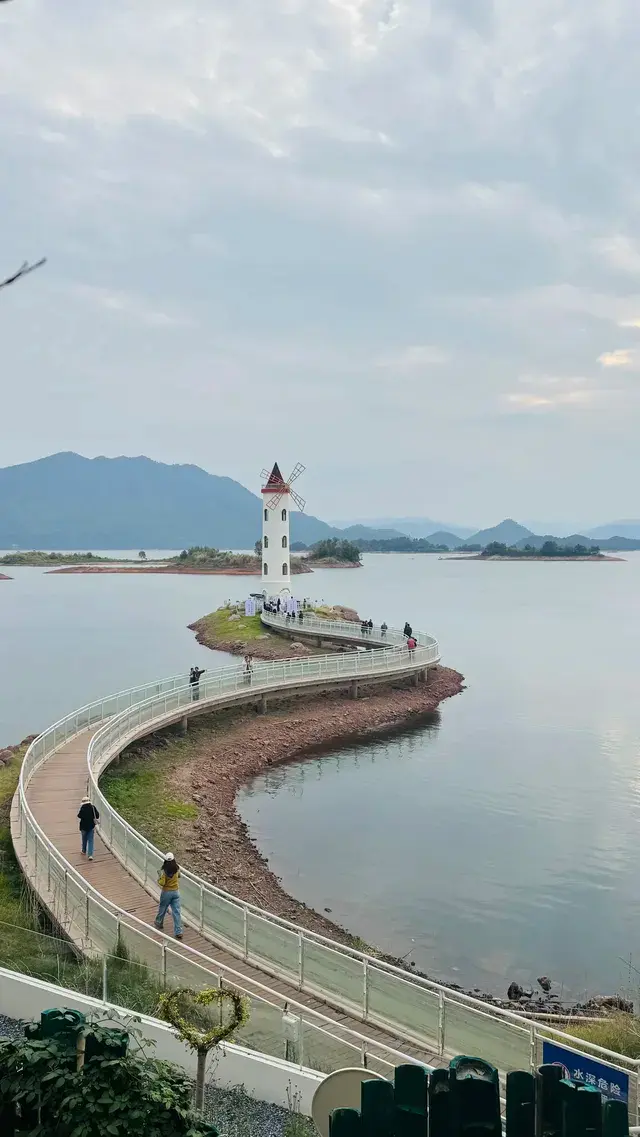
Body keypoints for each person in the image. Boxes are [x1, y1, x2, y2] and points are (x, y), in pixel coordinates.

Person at [154, 853, 183, 940]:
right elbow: (179, 876)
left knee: (163, 908)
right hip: (176, 892)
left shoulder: (164, 871)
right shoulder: (177, 868)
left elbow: (162, 883)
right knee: (176, 912)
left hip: (166, 892)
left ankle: (159, 922)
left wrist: (158, 879)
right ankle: (178, 931)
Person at [78, 796, 99, 860]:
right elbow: (97, 816)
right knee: (90, 841)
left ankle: (83, 851)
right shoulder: (93, 807)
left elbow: (79, 816)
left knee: (84, 839)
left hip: (83, 827)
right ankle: (90, 855)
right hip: (91, 826)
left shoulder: (82, 808)